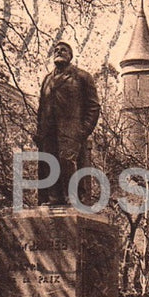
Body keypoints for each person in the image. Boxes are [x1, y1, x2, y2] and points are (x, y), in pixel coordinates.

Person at [35, 41, 100, 205]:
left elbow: (93, 106)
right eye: (56, 50)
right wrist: (39, 132)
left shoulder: (82, 76)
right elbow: (41, 108)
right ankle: (54, 198)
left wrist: (83, 131)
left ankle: (73, 197)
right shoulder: (47, 80)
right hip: (48, 132)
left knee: (67, 162)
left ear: (70, 55)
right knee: (50, 163)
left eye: (63, 50)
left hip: (71, 131)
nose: (59, 52)